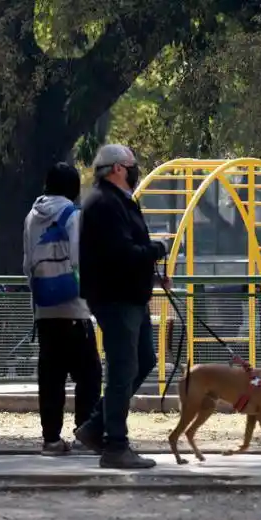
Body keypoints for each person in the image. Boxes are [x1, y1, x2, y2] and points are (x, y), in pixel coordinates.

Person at [74, 144, 167, 469]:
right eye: (132, 163)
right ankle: (115, 445)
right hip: (115, 299)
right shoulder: (103, 203)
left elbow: (127, 251)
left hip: (131, 295)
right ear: (116, 168)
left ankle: (95, 426)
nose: (135, 167)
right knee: (121, 369)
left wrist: (151, 275)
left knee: (142, 360)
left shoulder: (119, 201)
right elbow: (121, 254)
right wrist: (156, 250)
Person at [23, 162, 103, 456]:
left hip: (44, 312)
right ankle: (85, 432)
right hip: (75, 311)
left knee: (51, 379)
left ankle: (51, 441)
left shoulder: (31, 217)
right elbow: (82, 258)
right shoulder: (73, 215)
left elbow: (26, 263)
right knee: (90, 376)